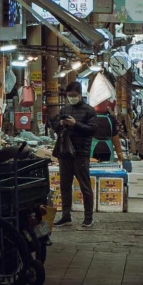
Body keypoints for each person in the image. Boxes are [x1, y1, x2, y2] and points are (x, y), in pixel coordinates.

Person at [55, 96, 99, 228]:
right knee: (65, 186)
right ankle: (66, 216)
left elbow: (92, 130)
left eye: (74, 95)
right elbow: (56, 129)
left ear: (79, 95)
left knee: (84, 186)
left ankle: (88, 217)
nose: (71, 98)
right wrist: (60, 124)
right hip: (65, 153)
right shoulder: (64, 109)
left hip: (81, 153)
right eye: (69, 95)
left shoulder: (89, 110)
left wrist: (75, 124)